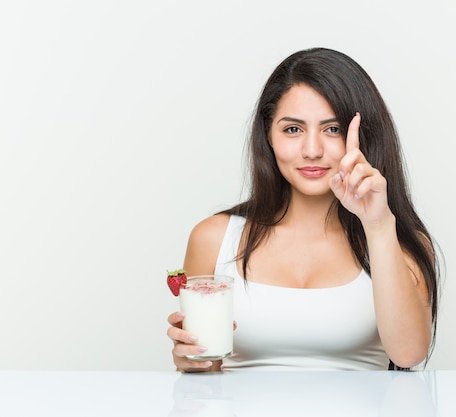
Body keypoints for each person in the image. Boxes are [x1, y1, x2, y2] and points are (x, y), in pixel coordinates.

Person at [166, 47, 440, 372]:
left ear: (365, 137)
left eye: (333, 129)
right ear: (268, 135)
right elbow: (205, 373)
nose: (312, 150)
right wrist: (192, 362)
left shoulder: (401, 243)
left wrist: (377, 224)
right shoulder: (213, 238)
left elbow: (408, 354)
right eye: (293, 129)